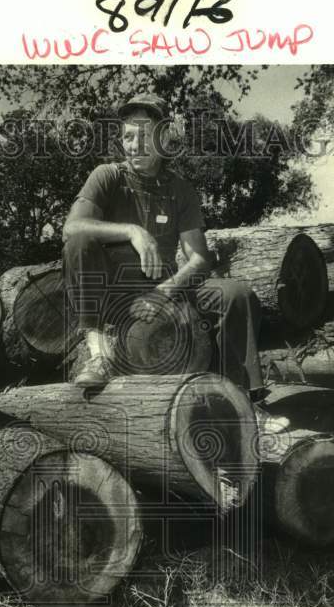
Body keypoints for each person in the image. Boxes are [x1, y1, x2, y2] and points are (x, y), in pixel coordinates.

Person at [61, 93, 265, 397]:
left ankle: (238, 396)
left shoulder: (180, 189)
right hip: (110, 293)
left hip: (163, 287)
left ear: (163, 136)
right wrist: (133, 231)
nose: (135, 145)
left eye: (145, 135)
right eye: (129, 137)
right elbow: (72, 228)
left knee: (236, 294)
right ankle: (98, 354)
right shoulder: (107, 176)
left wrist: (162, 292)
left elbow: (199, 259)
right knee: (78, 242)